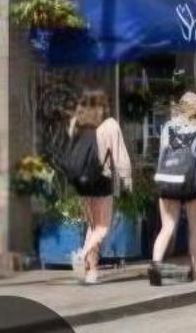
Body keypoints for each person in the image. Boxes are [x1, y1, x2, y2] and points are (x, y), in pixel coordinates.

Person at [65, 90, 132, 285]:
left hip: (82, 182)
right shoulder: (110, 125)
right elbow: (120, 157)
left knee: (92, 226)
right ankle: (83, 255)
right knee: (102, 227)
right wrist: (127, 180)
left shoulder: (76, 123)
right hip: (101, 180)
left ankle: (91, 270)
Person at [149, 92, 196, 286]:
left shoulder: (167, 129)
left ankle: (155, 265)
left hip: (168, 181)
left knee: (167, 226)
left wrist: (160, 181)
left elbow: (162, 157)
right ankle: (195, 271)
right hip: (192, 187)